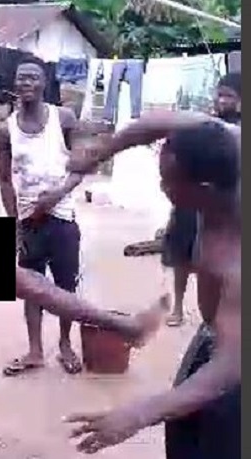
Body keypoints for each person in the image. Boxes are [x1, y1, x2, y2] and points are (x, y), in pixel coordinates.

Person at [65, 111, 240, 459]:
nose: (161, 188)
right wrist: (98, 154)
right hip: (216, 334)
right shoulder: (223, 141)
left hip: (234, 355)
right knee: (183, 431)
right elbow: (153, 124)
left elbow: (231, 364)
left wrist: (139, 414)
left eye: (168, 182)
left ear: (203, 189)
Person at [0, 54, 86, 376]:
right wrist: (14, 226)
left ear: (45, 83)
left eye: (33, 77)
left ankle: (65, 344)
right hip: (28, 222)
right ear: (15, 83)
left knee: (65, 288)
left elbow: (81, 167)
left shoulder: (64, 119)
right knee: (32, 288)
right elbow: (5, 181)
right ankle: (34, 351)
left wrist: (57, 195)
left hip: (62, 218)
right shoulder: (6, 131)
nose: (27, 83)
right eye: (22, 77)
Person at [162, 72, 241, 327]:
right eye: (220, 95)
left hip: (221, 204)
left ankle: (217, 316)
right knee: (182, 255)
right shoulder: (203, 124)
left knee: (217, 259)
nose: (222, 100)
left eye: (229, 96)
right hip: (192, 202)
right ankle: (178, 307)